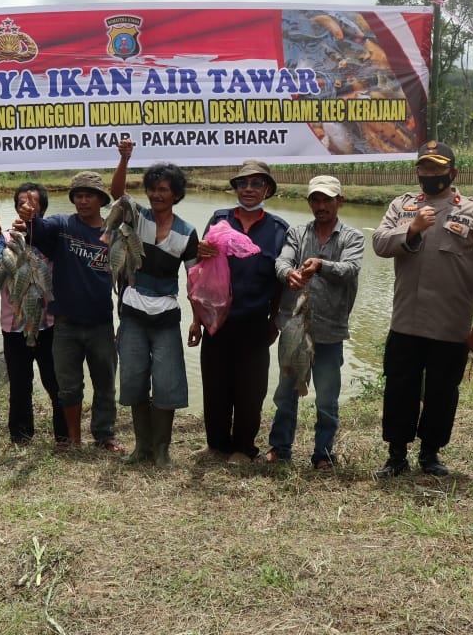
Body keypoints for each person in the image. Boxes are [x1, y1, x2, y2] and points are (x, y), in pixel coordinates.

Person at [372, 141, 473, 479]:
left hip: (451, 324)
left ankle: (430, 454)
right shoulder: (401, 206)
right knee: (399, 387)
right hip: (406, 320)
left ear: (453, 172)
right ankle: (396, 454)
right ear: (417, 171)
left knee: (442, 390)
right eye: (425, 168)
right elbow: (379, 243)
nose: (430, 175)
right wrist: (412, 228)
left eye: (437, 168)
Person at [188, 160, 289, 464]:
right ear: (235, 188)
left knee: (250, 391)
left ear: (267, 190)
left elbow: (282, 280)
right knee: (215, 387)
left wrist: (275, 321)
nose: (248, 189)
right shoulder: (219, 220)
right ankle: (216, 444)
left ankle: (243, 448)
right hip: (217, 322)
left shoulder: (278, 229)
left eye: (256, 184)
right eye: (242, 183)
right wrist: (196, 318)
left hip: (256, 323)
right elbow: (201, 270)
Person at [109, 141, 199, 467]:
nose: (156, 194)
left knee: (167, 380)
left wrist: (197, 320)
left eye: (163, 189)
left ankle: (162, 449)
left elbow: (195, 282)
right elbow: (117, 193)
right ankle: (141, 447)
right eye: (151, 189)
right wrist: (124, 158)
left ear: (176, 194)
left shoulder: (187, 233)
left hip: (166, 315)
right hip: (132, 311)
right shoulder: (137, 219)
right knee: (133, 377)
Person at [264, 176, 364, 470]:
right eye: (315, 200)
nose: (320, 206)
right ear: (309, 202)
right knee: (285, 392)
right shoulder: (296, 233)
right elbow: (282, 261)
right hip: (295, 328)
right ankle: (280, 448)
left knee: (326, 398)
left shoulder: (352, 237)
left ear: (339, 202)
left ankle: (323, 454)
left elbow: (350, 269)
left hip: (330, 330)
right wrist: (288, 274)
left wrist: (321, 265)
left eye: (327, 200)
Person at [20, 171, 122, 453]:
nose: (83, 200)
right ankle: (74, 439)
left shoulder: (114, 233)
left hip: (101, 323)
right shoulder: (62, 225)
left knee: (105, 385)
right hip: (65, 324)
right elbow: (38, 231)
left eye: (90, 195)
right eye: (78, 195)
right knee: (69, 388)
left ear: (101, 200)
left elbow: (126, 276)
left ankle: (104, 436)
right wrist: (30, 216)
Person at [0, 183, 67, 446]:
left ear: (42, 208)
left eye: (33, 203)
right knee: (20, 385)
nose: (26, 207)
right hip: (13, 325)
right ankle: (20, 435)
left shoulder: (53, 239)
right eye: (21, 203)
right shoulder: (3, 238)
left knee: (56, 383)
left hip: (48, 325)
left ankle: (64, 435)